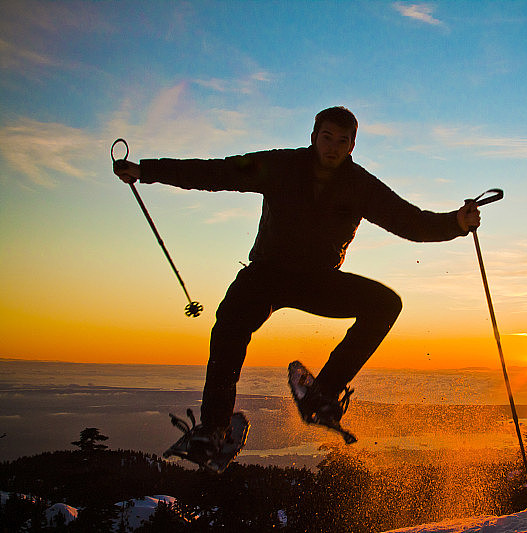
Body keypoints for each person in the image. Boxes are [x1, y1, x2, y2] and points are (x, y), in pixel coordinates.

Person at [114, 106, 480, 453]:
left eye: (341, 141)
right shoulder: (280, 165)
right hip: (267, 273)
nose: (333, 148)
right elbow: (217, 173)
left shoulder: (360, 185)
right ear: (313, 136)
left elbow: (408, 221)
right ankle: (214, 429)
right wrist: (145, 170)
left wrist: (455, 223)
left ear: (353, 145)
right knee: (229, 326)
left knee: (385, 304)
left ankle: (321, 396)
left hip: (316, 279)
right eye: (326, 137)